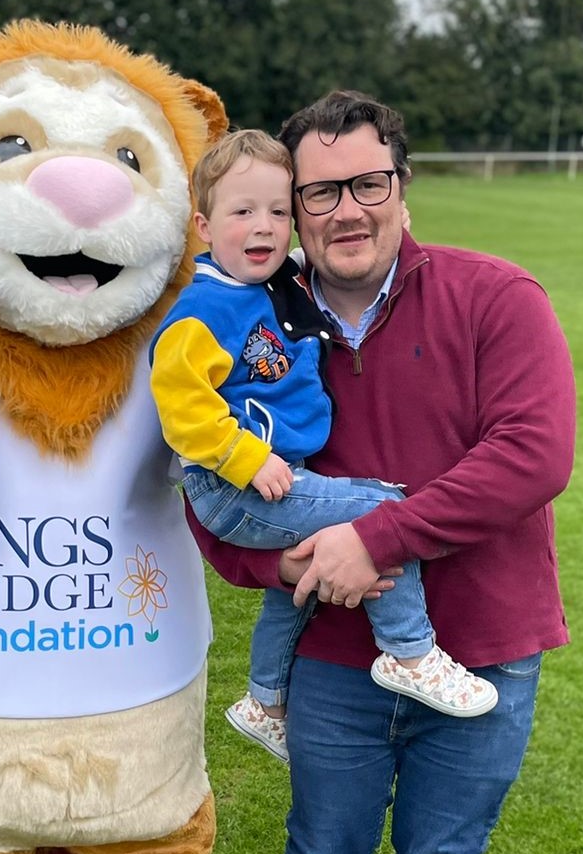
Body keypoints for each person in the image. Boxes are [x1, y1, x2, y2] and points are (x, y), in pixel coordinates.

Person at [188, 92, 576, 854]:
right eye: (320, 192)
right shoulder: (252, 316)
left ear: (402, 187)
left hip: (487, 647)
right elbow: (201, 461)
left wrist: (377, 539)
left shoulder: (498, 295)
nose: (347, 210)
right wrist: (270, 567)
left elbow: (533, 456)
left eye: (368, 183)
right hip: (334, 656)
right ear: (295, 209)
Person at [150, 131, 496, 764]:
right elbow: (180, 407)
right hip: (232, 485)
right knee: (382, 511)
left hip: (273, 475)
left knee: (300, 583)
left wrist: (393, 228)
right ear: (203, 226)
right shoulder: (203, 310)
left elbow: (327, 260)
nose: (263, 226)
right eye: (242, 212)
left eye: (278, 211)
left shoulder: (276, 281)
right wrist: (245, 459)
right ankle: (409, 652)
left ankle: (264, 702)